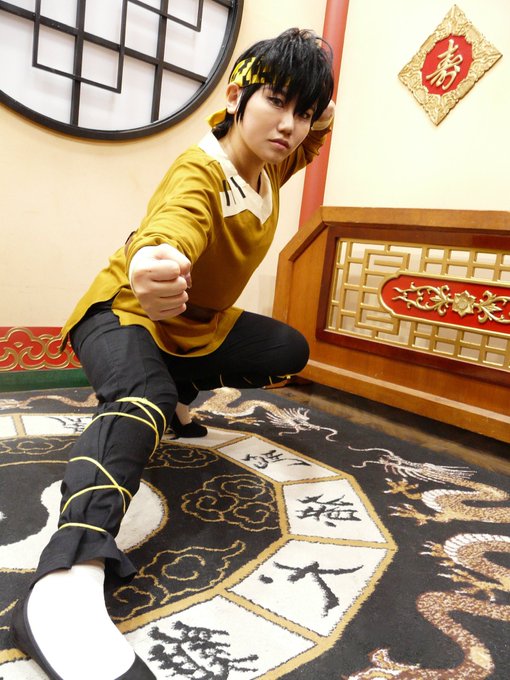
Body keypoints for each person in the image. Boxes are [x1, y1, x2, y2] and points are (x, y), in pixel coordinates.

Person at [11, 27, 335, 679]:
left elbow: (316, 132)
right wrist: (154, 260)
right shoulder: (201, 168)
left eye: (302, 111)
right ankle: (66, 579)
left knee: (287, 349)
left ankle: (178, 397)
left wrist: (314, 93)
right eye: (277, 101)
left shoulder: (273, 161)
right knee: (142, 396)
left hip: (193, 328)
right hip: (122, 313)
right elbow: (170, 225)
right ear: (237, 96)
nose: (290, 124)